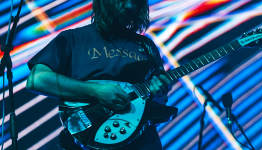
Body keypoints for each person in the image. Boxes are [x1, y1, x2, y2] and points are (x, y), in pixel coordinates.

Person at [26, 0, 177, 149]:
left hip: (141, 140)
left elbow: (158, 103)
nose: (129, 5)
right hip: (89, 135)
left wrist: (159, 91)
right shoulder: (73, 38)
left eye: (135, 2)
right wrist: (95, 91)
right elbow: (37, 79)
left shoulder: (147, 46)